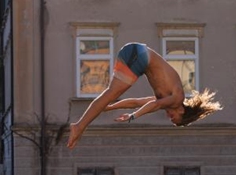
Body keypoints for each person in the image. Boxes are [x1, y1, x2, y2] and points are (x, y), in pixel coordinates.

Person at [67, 42, 222, 149]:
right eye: (173, 118)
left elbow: (136, 102)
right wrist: (133, 117)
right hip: (139, 56)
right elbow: (153, 105)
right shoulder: (178, 98)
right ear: (181, 111)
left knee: (110, 95)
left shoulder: (167, 99)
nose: (169, 116)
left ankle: (81, 125)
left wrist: (109, 107)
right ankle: (79, 126)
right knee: (110, 93)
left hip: (133, 51)